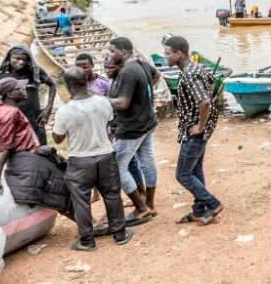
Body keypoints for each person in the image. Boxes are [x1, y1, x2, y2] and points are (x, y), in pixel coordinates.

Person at [52, 68, 133, 251]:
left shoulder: (64, 111)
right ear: (86, 81)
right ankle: (120, 234)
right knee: (112, 195)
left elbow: (58, 138)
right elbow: (108, 123)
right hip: (105, 155)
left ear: (68, 86)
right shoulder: (103, 102)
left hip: (80, 160)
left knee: (81, 200)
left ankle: (87, 241)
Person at [0, 78, 71, 216]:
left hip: (30, 156)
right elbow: (5, 146)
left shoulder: (6, 109)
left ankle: (88, 226)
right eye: (20, 88)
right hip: (26, 159)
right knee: (59, 190)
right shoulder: (8, 114)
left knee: (59, 190)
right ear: (10, 94)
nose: (24, 90)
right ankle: (89, 227)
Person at [164, 36, 223, 226]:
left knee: (182, 174)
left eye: (167, 53)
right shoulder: (195, 67)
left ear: (178, 54)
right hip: (198, 125)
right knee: (195, 168)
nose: (165, 57)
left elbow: (204, 101)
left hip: (195, 129)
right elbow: (212, 83)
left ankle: (213, 204)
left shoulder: (189, 74)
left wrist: (201, 125)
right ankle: (198, 211)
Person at [107, 37, 160, 226]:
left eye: (112, 51)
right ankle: (150, 204)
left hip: (131, 128)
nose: (110, 55)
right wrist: (144, 97)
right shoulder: (142, 64)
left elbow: (122, 103)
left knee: (116, 166)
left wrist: (97, 99)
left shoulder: (127, 72)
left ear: (122, 51)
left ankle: (140, 208)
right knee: (147, 161)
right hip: (147, 122)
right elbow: (157, 76)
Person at [0, 46, 56, 146]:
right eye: (17, 58)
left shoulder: (33, 71)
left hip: (35, 123)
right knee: (15, 154)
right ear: (9, 57)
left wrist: (49, 108)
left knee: (41, 154)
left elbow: (52, 84)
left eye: (24, 59)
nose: (21, 62)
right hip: (12, 126)